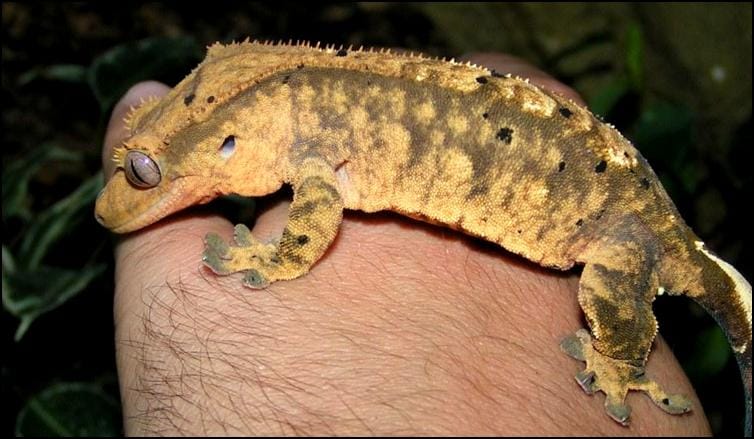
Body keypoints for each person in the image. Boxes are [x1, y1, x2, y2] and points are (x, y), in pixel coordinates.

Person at [102, 52, 711, 435]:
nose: (119, 197)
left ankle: (625, 362)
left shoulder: (305, 135)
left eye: (146, 172)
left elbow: (318, 209)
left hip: (618, 220)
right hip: (601, 177)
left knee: (608, 295)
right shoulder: (298, 122)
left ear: (230, 140)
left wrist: (281, 258)